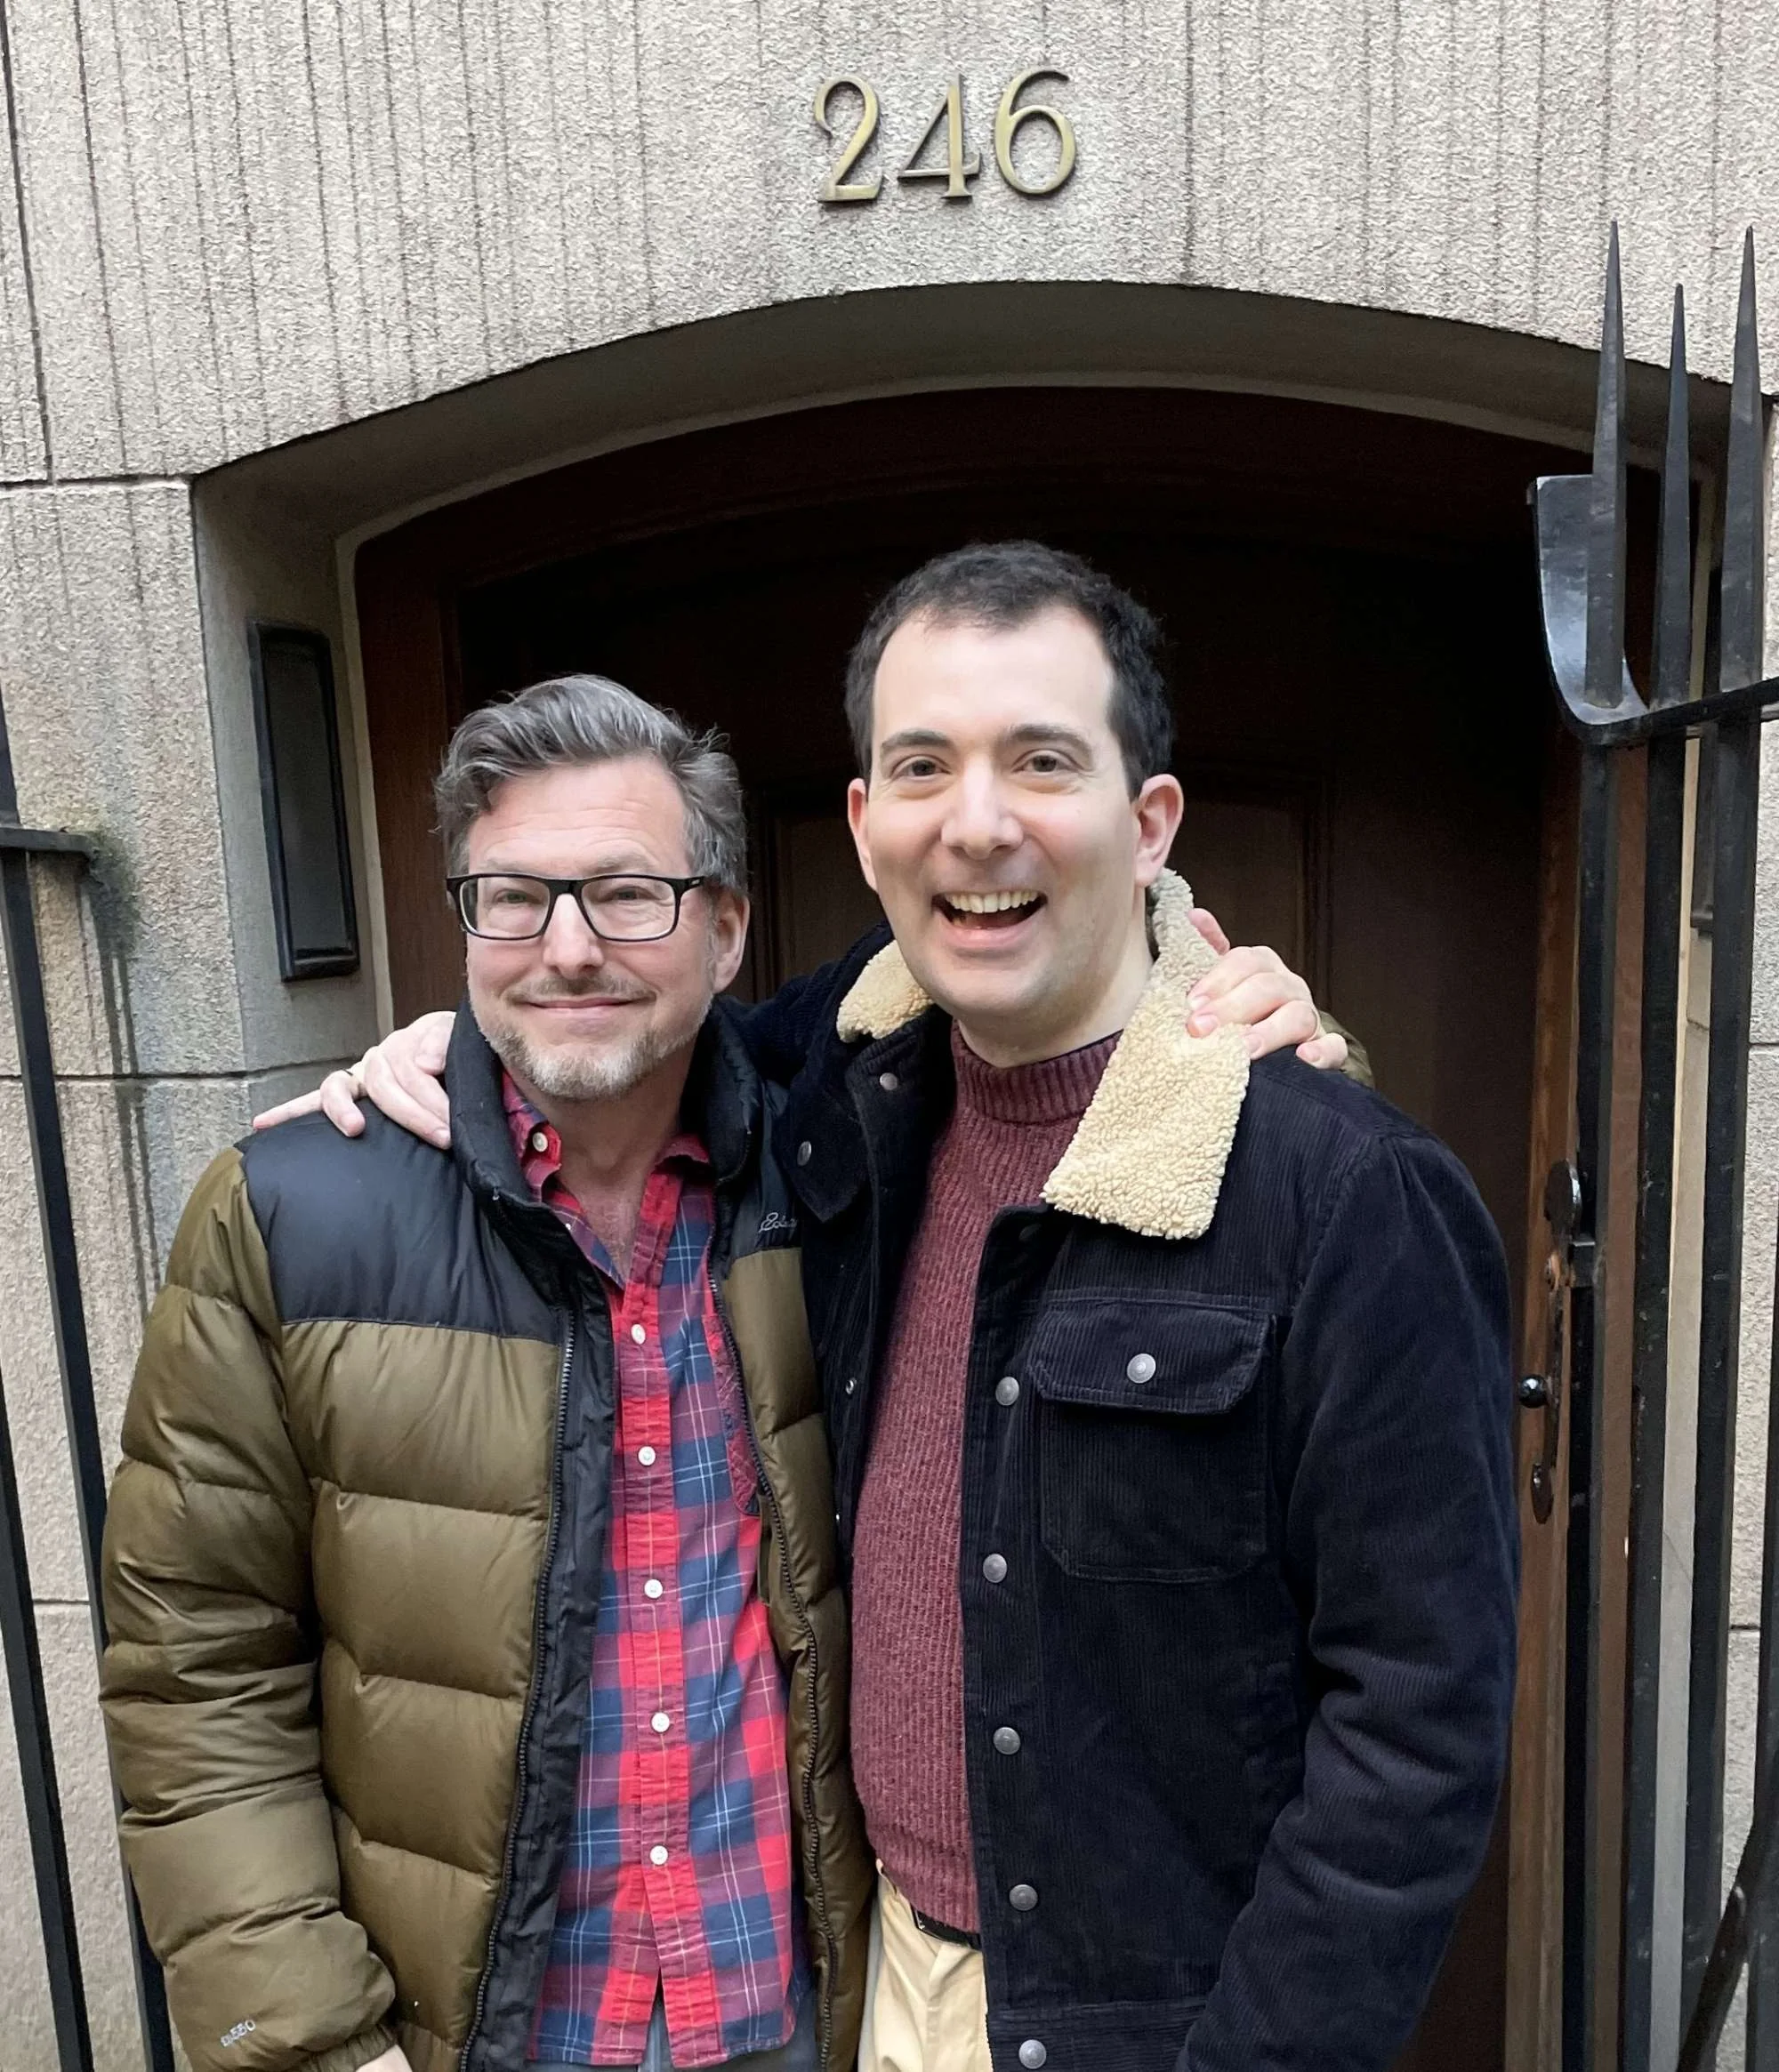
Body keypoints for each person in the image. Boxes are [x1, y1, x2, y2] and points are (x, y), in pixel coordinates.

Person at [291, 542, 1517, 2072]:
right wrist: (448, 1054)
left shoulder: (1344, 1192)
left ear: (1150, 827)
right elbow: (609, 1001)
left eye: (1043, 760)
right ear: (867, 826)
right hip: (879, 1988)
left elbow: (1417, 1729)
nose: (979, 820)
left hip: (1168, 2025)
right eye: (924, 764)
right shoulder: (840, 1112)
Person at [102, 655, 1338, 2072]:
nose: (569, 946)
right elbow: (196, 1672)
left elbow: (1059, 958)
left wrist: (1219, 985)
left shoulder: (853, 1166)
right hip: (473, 2036)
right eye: (515, 895)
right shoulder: (291, 1212)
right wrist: (313, 2045)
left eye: (630, 893)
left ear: (727, 924)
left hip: (796, 2017)